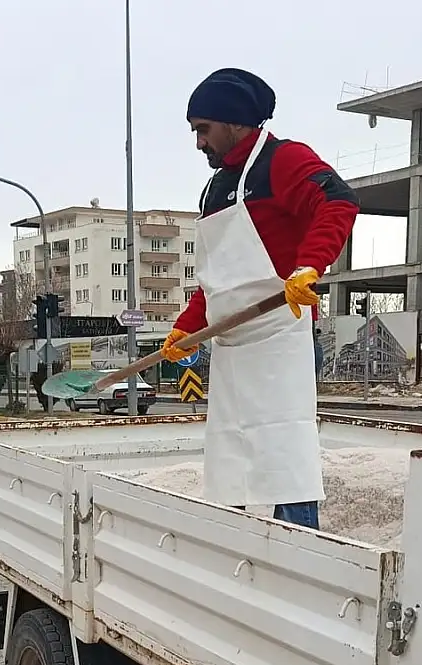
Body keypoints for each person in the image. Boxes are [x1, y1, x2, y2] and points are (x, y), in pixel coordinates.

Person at [162, 68, 358, 530]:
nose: (198, 144)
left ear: (234, 122)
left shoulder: (283, 161)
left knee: (282, 455)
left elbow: (337, 202)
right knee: (230, 454)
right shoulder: (214, 188)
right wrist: (187, 326)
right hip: (231, 347)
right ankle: (241, 547)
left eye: (202, 130)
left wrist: (308, 266)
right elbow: (217, 280)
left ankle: (298, 547)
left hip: (278, 337)